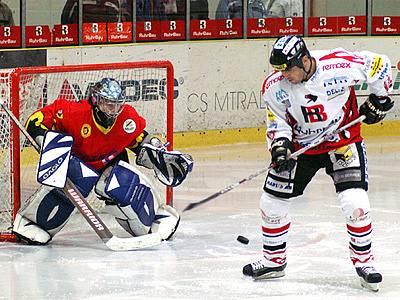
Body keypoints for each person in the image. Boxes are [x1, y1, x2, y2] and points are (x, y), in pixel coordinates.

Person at [242, 35, 394, 292]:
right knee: (271, 201)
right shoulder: (274, 86)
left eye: (288, 69)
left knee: (355, 203)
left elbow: (380, 64)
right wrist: (280, 147)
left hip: (343, 142)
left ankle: (364, 263)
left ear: (304, 60)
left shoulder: (338, 65)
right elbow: (277, 122)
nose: (284, 76)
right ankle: (273, 260)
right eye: (279, 71)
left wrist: (380, 99)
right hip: (302, 148)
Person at [12, 78, 193, 246]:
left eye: (118, 105)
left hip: (109, 161)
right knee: (79, 180)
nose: (114, 110)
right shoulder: (75, 113)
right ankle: (33, 222)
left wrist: (156, 151)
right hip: (78, 161)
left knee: (120, 184)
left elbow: (137, 139)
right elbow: (37, 120)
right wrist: (47, 143)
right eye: (109, 104)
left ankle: (156, 217)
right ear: (96, 101)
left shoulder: (127, 118)